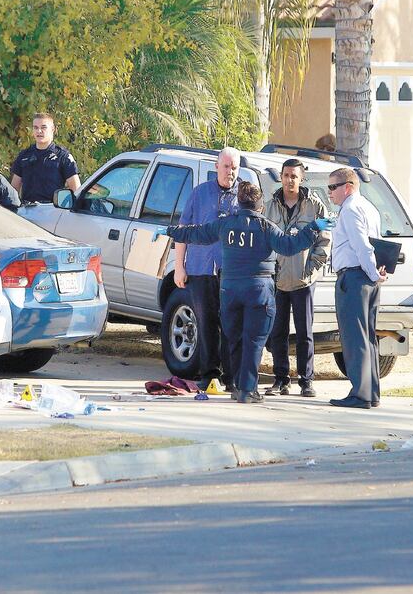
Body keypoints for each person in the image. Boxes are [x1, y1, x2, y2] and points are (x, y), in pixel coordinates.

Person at [159, 181, 335, 403]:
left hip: (230, 290)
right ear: (260, 206)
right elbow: (290, 246)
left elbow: (198, 233)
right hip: (258, 291)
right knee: (254, 341)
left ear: (239, 204)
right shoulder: (266, 227)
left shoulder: (224, 224)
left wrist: (169, 230)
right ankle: (247, 389)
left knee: (234, 339)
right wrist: (314, 227)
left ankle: (237, 385)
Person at [174, 147, 240, 392]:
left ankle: (232, 377)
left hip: (231, 271)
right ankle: (210, 374)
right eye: (225, 167)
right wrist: (179, 267)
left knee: (231, 323)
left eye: (234, 167)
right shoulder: (199, 193)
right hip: (200, 268)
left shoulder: (243, 196)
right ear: (216, 166)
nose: (229, 172)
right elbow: (182, 232)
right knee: (206, 322)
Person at [264, 158, 331, 397]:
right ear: (280, 177)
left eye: (294, 176)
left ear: (302, 179)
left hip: (304, 281)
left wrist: (311, 269)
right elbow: (264, 240)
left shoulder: (314, 206)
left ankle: (306, 380)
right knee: (277, 332)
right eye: (286, 175)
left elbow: (324, 242)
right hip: (277, 280)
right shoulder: (269, 205)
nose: (289, 180)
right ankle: (281, 379)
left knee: (304, 333)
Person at [326, 167, 387, 409]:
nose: (330, 192)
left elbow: (362, 246)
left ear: (348, 186)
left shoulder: (350, 209)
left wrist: (372, 273)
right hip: (366, 279)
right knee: (368, 336)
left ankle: (360, 394)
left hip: (354, 278)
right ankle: (370, 392)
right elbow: (377, 244)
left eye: (333, 187)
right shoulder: (368, 207)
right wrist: (376, 274)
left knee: (354, 337)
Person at [10, 112, 80, 203]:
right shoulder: (24, 156)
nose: (39, 131)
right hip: (26, 211)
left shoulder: (63, 156)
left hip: (52, 211)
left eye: (43, 127)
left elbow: (76, 190)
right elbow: (13, 191)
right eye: (35, 128)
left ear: (52, 129)